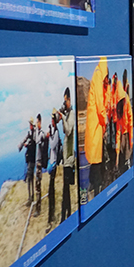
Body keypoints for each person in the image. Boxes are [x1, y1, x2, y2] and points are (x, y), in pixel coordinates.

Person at [85, 58, 109, 203]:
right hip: (96, 126)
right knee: (97, 163)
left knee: (95, 162)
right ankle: (96, 194)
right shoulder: (99, 75)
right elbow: (100, 104)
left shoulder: (96, 73)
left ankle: (92, 190)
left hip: (94, 125)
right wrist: (106, 120)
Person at [56, 88, 75, 223]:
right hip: (66, 158)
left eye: (65, 101)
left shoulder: (72, 114)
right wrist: (62, 116)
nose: (64, 104)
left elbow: (68, 131)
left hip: (69, 157)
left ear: (69, 99)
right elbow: (64, 129)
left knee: (66, 189)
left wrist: (63, 117)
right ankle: (67, 214)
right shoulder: (68, 114)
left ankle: (66, 216)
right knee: (65, 189)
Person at [45, 110, 62, 232]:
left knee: (51, 190)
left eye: (52, 119)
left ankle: (51, 217)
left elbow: (52, 145)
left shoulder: (56, 133)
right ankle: (50, 215)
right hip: (51, 162)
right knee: (50, 190)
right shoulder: (52, 130)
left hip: (54, 164)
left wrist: (49, 135)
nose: (51, 121)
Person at [18, 117, 37, 206]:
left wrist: (26, 145)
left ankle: (31, 198)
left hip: (32, 159)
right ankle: (30, 197)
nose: (29, 126)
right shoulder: (31, 133)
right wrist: (22, 144)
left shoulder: (34, 134)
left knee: (30, 179)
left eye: (30, 124)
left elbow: (33, 146)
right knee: (30, 178)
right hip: (30, 159)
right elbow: (26, 138)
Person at [34, 114, 47, 217]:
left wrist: (37, 130)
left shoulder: (42, 134)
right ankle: (37, 206)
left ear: (40, 122)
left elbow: (38, 141)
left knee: (38, 186)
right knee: (37, 186)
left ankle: (38, 209)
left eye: (37, 122)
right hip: (37, 162)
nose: (36, 124)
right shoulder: (38, 133)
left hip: (39, 163)